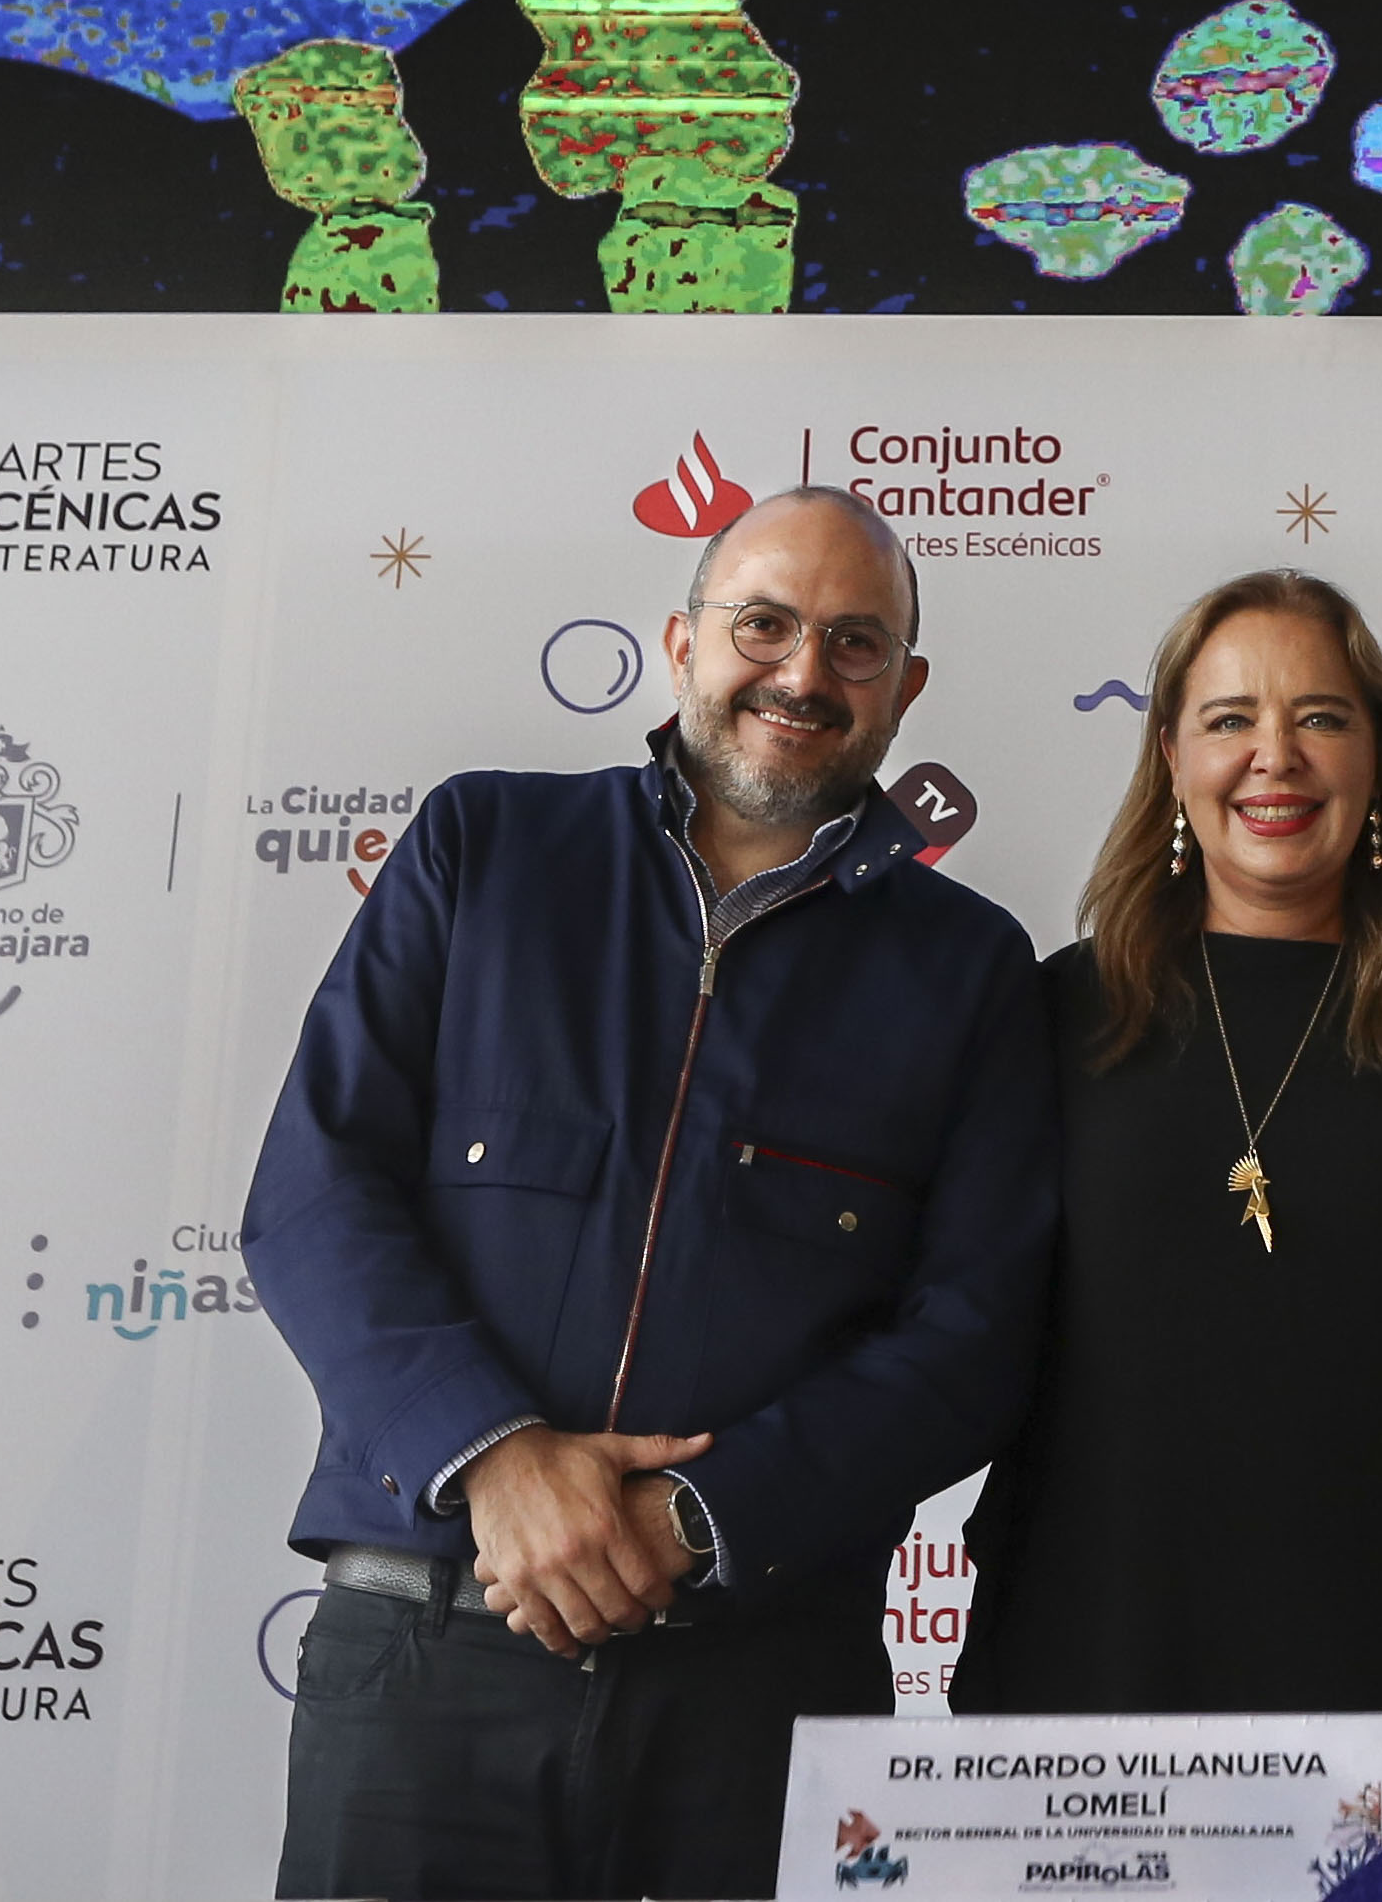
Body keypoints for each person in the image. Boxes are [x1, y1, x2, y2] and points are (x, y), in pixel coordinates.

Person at [246, 484, 1054, 1902]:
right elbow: (316, 1191)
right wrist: (500, 1457)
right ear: (682, 643)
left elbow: (972, 1337)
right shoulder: (481, 846)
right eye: (764, 623)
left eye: (855, 641)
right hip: (428, 1657)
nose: (803, 671)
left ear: (905, 686)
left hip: (761, 1687)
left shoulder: (969, 965)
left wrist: (690, 1514)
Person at [956, 570, 1382, 1802]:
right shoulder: (1054, 1014)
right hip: (1095, 1660)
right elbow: (963, 1332)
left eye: (1320, 716)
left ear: (1376, 755)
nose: (1273, 755)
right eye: (1229, 717)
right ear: (1171, 756)